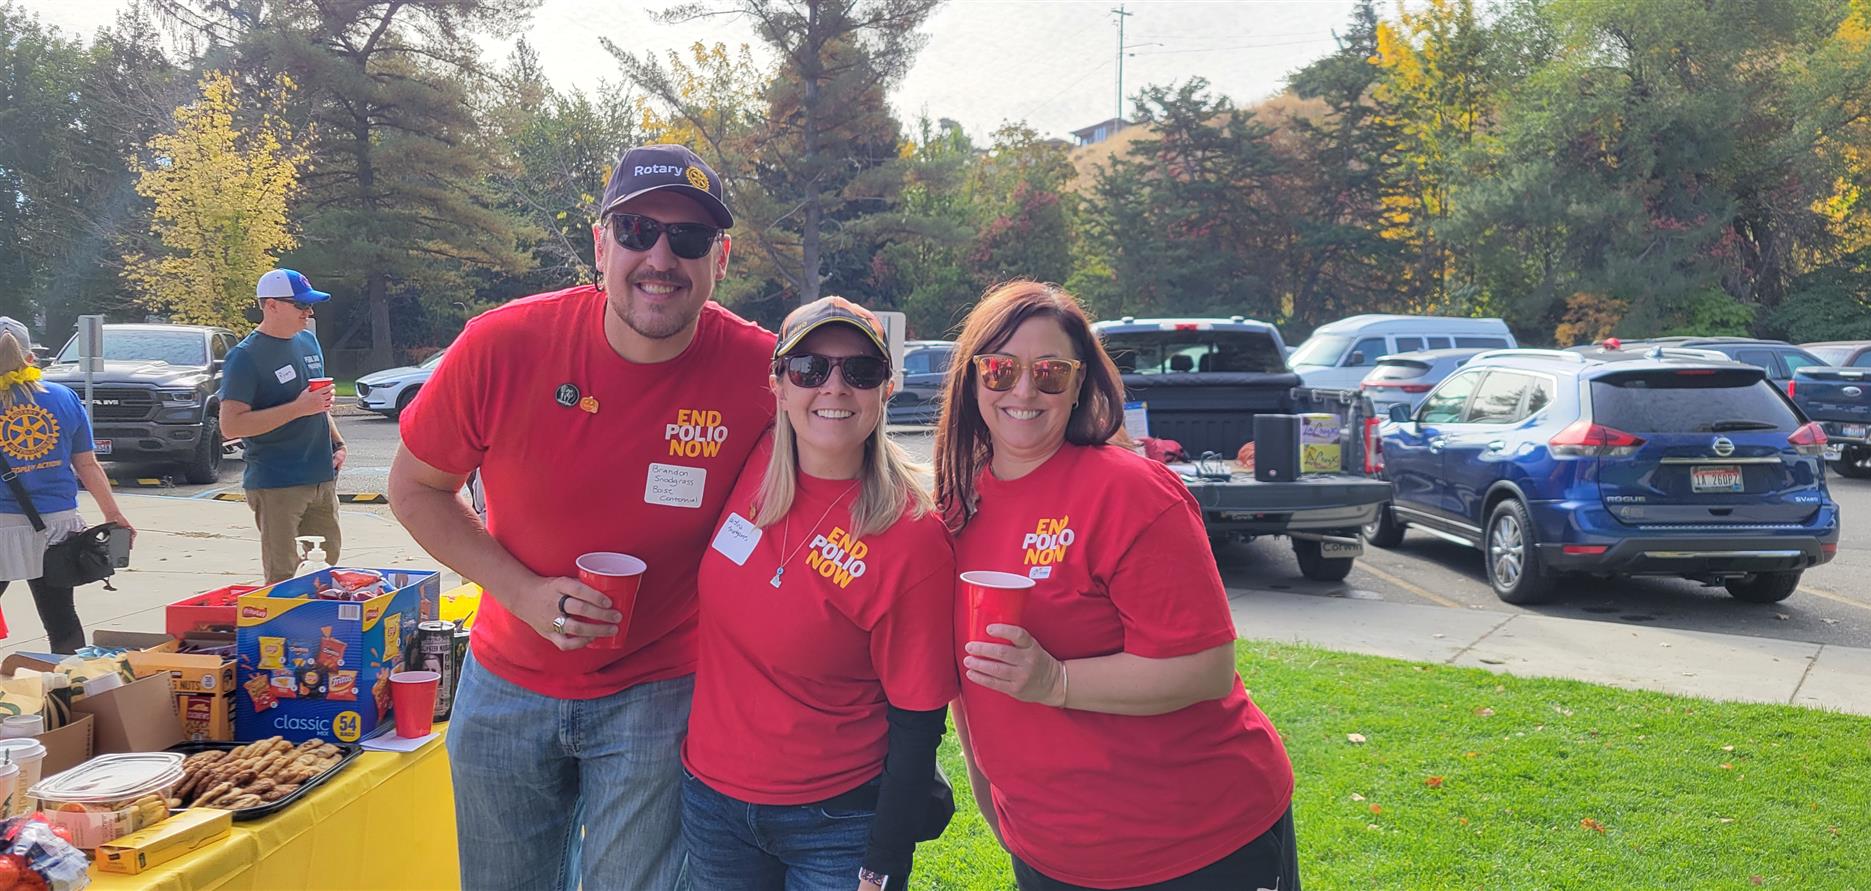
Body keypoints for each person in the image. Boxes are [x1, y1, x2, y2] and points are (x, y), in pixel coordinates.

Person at [389, 144, 776, 891]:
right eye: (637, 230)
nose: (660, 257)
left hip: (661, 688)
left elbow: (841, 454)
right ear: (601, 245)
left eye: (688, 237)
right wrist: (525, 593)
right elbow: (415, 488)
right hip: (506, 681)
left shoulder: (760, 373)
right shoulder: (504, 344)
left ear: (720, 259)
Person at [935, 281, 1301, 891]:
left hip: (1197, 844)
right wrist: (993, 800)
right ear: (973, 379)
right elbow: (971, 679)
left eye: (1050, 372)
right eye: (1000, 369)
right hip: (1050, 851)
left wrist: (1056, 681)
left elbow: (1207, 668)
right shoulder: (956, 505)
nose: (1023, 391)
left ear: (1079, 383)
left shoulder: (1132, 493)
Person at [682, 297, 956, 891]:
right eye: (809, 368)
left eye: (860, 370)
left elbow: (918, 720)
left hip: (836, 823)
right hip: (712, 804)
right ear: (778, 385)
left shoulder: (912, 536)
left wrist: (884, 863)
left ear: (885, 390)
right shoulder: (750, 464)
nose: (834, 387)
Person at [0, 317, 135, 653]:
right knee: (61, 621)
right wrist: (113, 514)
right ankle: (67, 682)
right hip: (56, 525)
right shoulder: (62, 397)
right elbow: (87, 464)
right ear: (31, 357)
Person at [217, 268, 343, 583]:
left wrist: (338, 443)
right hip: (277, 481)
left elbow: (317, 403)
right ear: (271, 305)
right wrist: (298, 408)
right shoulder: (245, 357)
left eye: (310, 305)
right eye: (300, 305)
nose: (308, 312)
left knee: (326, 568)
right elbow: (231, 426)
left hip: (321, 476)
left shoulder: (308, 342)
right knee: (284, 575)